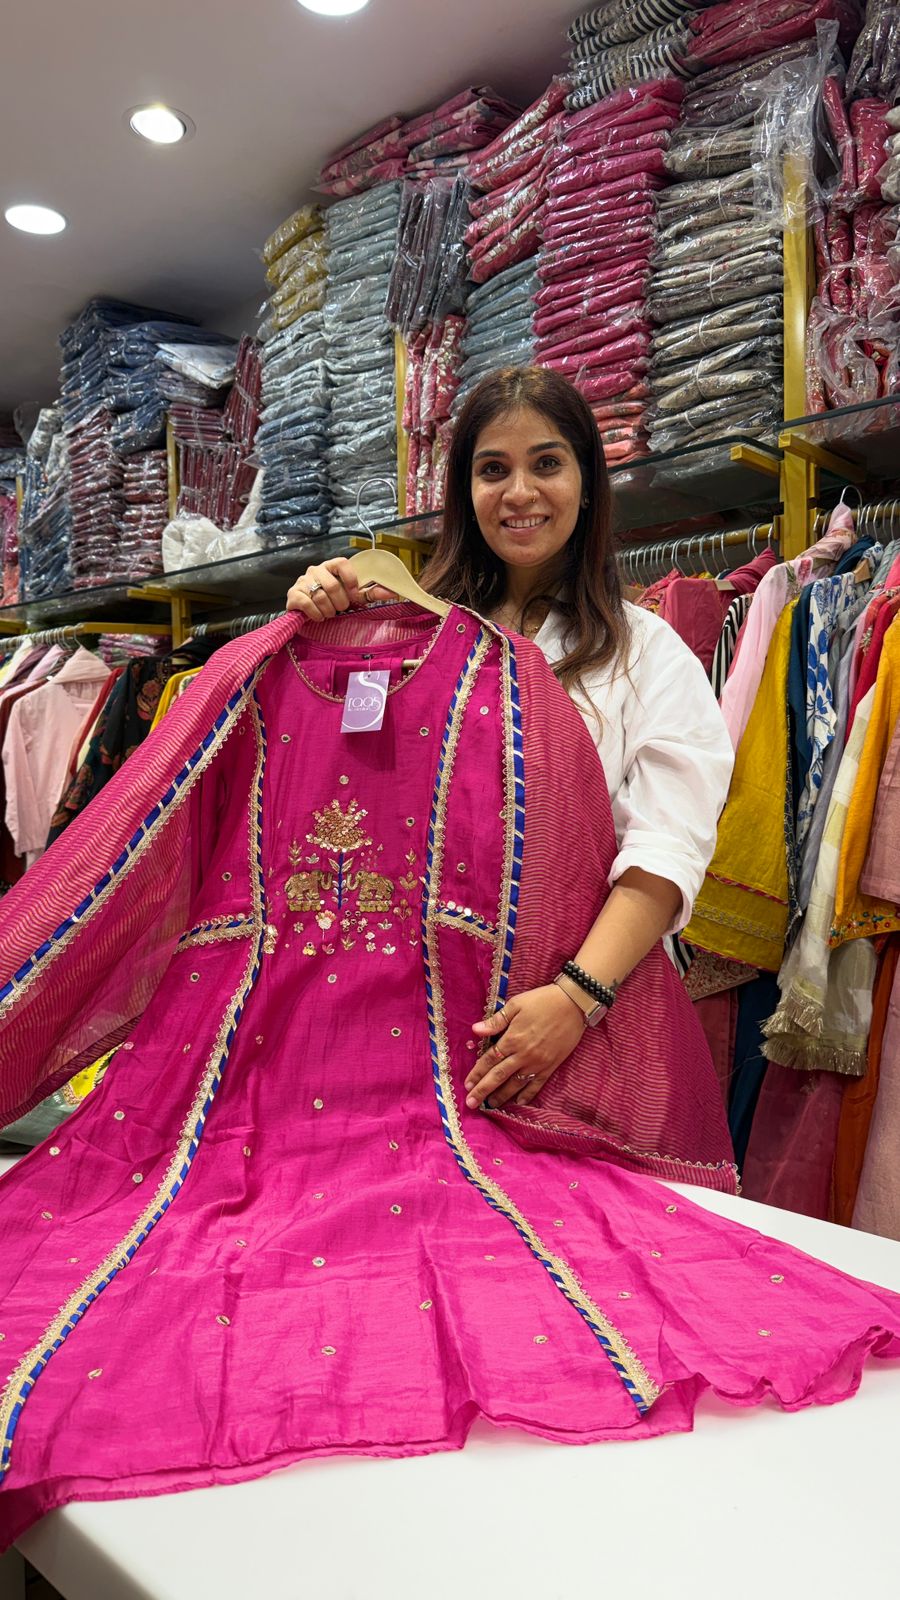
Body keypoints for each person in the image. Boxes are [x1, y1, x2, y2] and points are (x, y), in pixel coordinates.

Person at [288, 366, 734, 1118]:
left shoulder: (650, 656)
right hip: (403, 1008)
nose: (520, 493)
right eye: (493, 470)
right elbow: (346, 791)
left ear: (588, 483)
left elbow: (667, 851)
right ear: (465, 491)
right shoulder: (406, 641)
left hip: (579, 1024)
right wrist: (322, 630)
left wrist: (575, 999)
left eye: (547, 464)